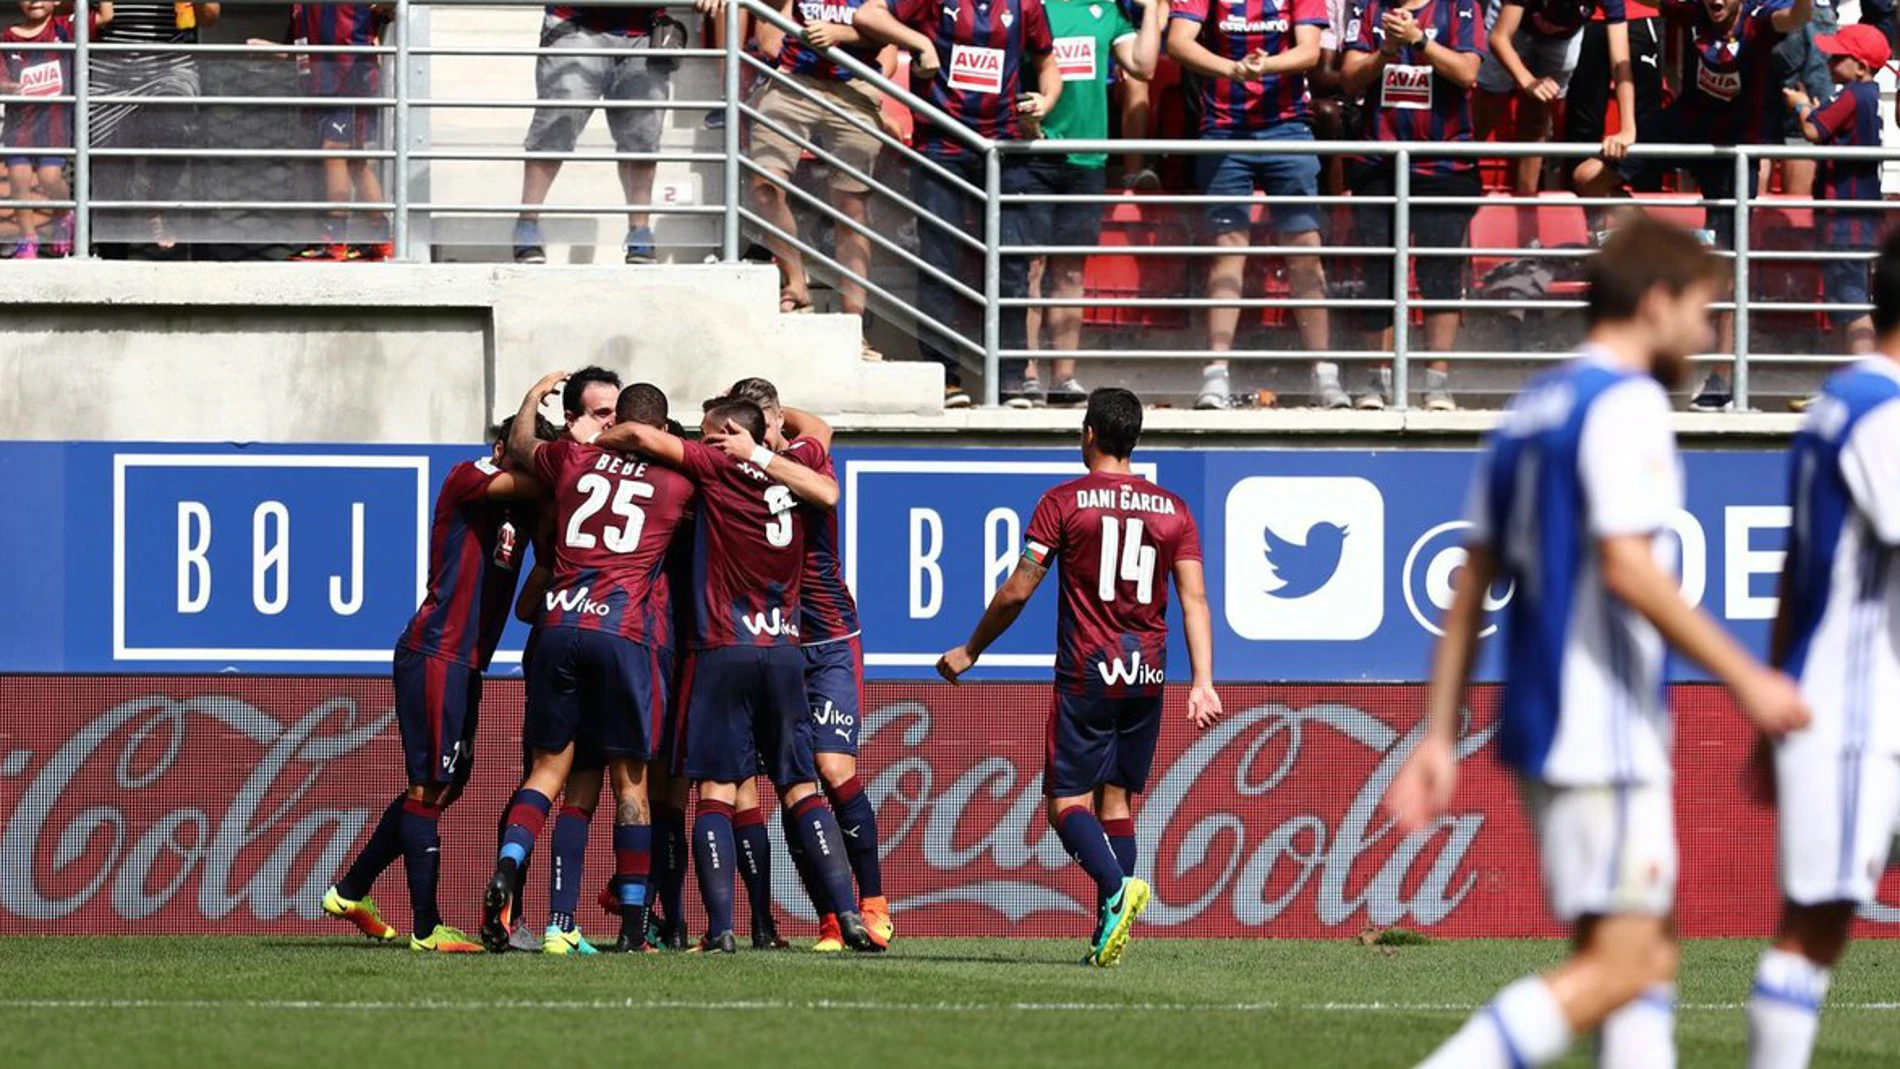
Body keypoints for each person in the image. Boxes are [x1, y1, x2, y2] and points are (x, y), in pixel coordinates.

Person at [1386, 218, 1810, 1069]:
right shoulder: (1628, 404)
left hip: (1545, 723)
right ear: (1656, 303)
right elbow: (1630, 567)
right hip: (1602, 725)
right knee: (1629, 962)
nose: (1708, 332)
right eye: (1702, 309)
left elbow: (1472, 582)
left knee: (1641, 959)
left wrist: (1438, 732)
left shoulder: (1533, 406)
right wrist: (1749, 680)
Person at [936, 387, 1222, 967]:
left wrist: (972, 648)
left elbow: (1020, 588)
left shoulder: (1064, 502)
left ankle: (1116, 891)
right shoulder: (1176, 510)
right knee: (1116, 799)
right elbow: (1194, 601)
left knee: (1065, 802)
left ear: (1088, 434)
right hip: (1148, 672)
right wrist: (1204, 681)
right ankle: (1107, 931)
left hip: (1089, 670)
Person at [593, 398, 878, 953]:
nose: (703, 441)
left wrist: (596, 442)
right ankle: (846, 914)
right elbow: (820, 435)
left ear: (727, 433)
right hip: (785, 650)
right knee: (799, 787)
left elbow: (648, 440)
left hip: (724, 646)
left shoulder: (716, 465)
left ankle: (720, 928)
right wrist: (767, 431)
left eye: (709, 433)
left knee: (717, 792)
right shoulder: (794, 468)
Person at [1746, 229, 1900, 1069]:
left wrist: (1777, 690)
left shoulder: (1839, 402)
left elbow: (1795, 570)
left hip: (1849, 701)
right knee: (1815, 930)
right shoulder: (1882, 413)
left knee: (1820, 925)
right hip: (1857, 708)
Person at [322, 415, 552, 954]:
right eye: (527, 453)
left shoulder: (522, 509)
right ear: (504, 448)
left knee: (444, 785)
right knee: (429, 788)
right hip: (435, 653)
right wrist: (540, 405)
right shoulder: (467, 477)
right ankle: (427, 929)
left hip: (463, 663)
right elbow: (541, 480)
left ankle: (352, 890)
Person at [487, 375, 698, 955]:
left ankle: (510, 873)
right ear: (658, 429)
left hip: (558, 624)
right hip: (623, 630)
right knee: (630, 782)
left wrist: (532, 397)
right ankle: (633, 926)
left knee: (549, 772)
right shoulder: (678, 477)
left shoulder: (575, 461)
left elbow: (525, 445)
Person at [711, 377, 890, 950]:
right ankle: (830, 917)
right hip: (775, 643)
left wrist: (773, 421)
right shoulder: (732, 470)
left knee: (833, 770)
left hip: (832, 639)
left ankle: (874, 902)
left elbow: (822, 442)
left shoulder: (801, 459)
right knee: (793, 777)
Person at [1574, 0, 1811, 411]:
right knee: (1587, 177)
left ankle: (1722, 379)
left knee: (1728, 267)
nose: (1715, 1)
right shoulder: (1688, 10)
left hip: (1737, 142)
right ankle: (1647, 241)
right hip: (1685, 124)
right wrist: (1627, 128)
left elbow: (1797, 17)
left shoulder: (1758, 21)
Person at [850, 0, 1061, 408]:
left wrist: (1046, 101)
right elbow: (867, 14)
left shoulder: (1026, 5)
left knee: (1013, 264)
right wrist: (918, 43)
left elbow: (1048, 62)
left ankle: (1011, 378)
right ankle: (945, 377)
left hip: (1002, 148)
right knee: (939, 264)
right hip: (941, 145)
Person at [1169, 0, 1333, 409]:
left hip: (1288, 130)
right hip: (1224, 132)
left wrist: (1264, 67)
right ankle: (1216, 375)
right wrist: (1232, 69)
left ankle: (1324, 375)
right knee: (1228, 253)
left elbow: (1310, 52)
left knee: (1305, 253)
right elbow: (1178, 42)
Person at [1342, 0, 1485, 410]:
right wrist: (1385, 51)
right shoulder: (1367, 9)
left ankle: (1436, 383)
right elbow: (1350, 80)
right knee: (1378, 271)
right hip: (1378, 163)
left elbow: (1467, 72)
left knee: (1440, 271)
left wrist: (1419, 41)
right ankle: (1376, 381)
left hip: (1445, 165)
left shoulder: (1459, 7)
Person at [1022, 0, 1161, 406]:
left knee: (1069, 271)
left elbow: (1143, 66)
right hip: (1034, 153)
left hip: (1088, 159)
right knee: (1032, 265)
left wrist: (1151, 7)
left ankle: (1063, 377)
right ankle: (1025, 373)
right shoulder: (1034, 7)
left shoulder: (1106, 10)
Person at [512, 1, 719, 266]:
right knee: (559, 120)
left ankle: (640, 232)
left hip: (645, 30)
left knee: (643, 135)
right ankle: (527, 222)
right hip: (577, 24)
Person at [750, 0, 890, 361]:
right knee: (765, 184)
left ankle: (853, 328)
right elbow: (767, 40)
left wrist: (843, 38)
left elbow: (890, 42)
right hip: (794, 81)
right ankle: (797, 286)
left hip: (854, 85)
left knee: (851, 210)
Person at [1784, 23, 1884, 355]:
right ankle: (1848, 377)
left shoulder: (1854, 94)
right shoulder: (1867, 96)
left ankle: (1864, 375)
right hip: (1856, 216)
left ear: (1861, 66)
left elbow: (1814, 130)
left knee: (1852, 303)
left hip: (1846, 216)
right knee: (1844, 302)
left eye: (1838, 57)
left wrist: (1800, 106)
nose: (1829, 62)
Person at [1475, 0, 1636, 203]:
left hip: (1563, 37)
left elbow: (1620, 62)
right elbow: (1499, 38)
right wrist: (1528, 81)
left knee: (1537, 118)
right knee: (1487, 110)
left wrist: (1628, 129)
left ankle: (1526, 206)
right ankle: (1457, 180)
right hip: (1512, 23)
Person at [89, 1, 217, 256]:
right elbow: (56, 8)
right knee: (110, 165)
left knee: (174, 122)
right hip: (109, 71)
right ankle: (111, 252)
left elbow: (210, 17)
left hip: (169, 68)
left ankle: (156, 204)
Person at [1, 0, 111, 259]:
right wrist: (7, 87)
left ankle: (65, 216)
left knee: (50, 177)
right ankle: (28, 239)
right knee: (18, 179)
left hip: (54, 123)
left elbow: (106, 16)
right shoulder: (8, 36)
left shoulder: (67, 27)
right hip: (20, 125)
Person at [283, 3, 393, 262]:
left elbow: (392, 10)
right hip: (320, 86)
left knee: (335, 153)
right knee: (356, 162)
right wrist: (269, 49)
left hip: (352, 78)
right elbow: (295, 46)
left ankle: (334, 243)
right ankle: (381, 240)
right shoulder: (299, 6)